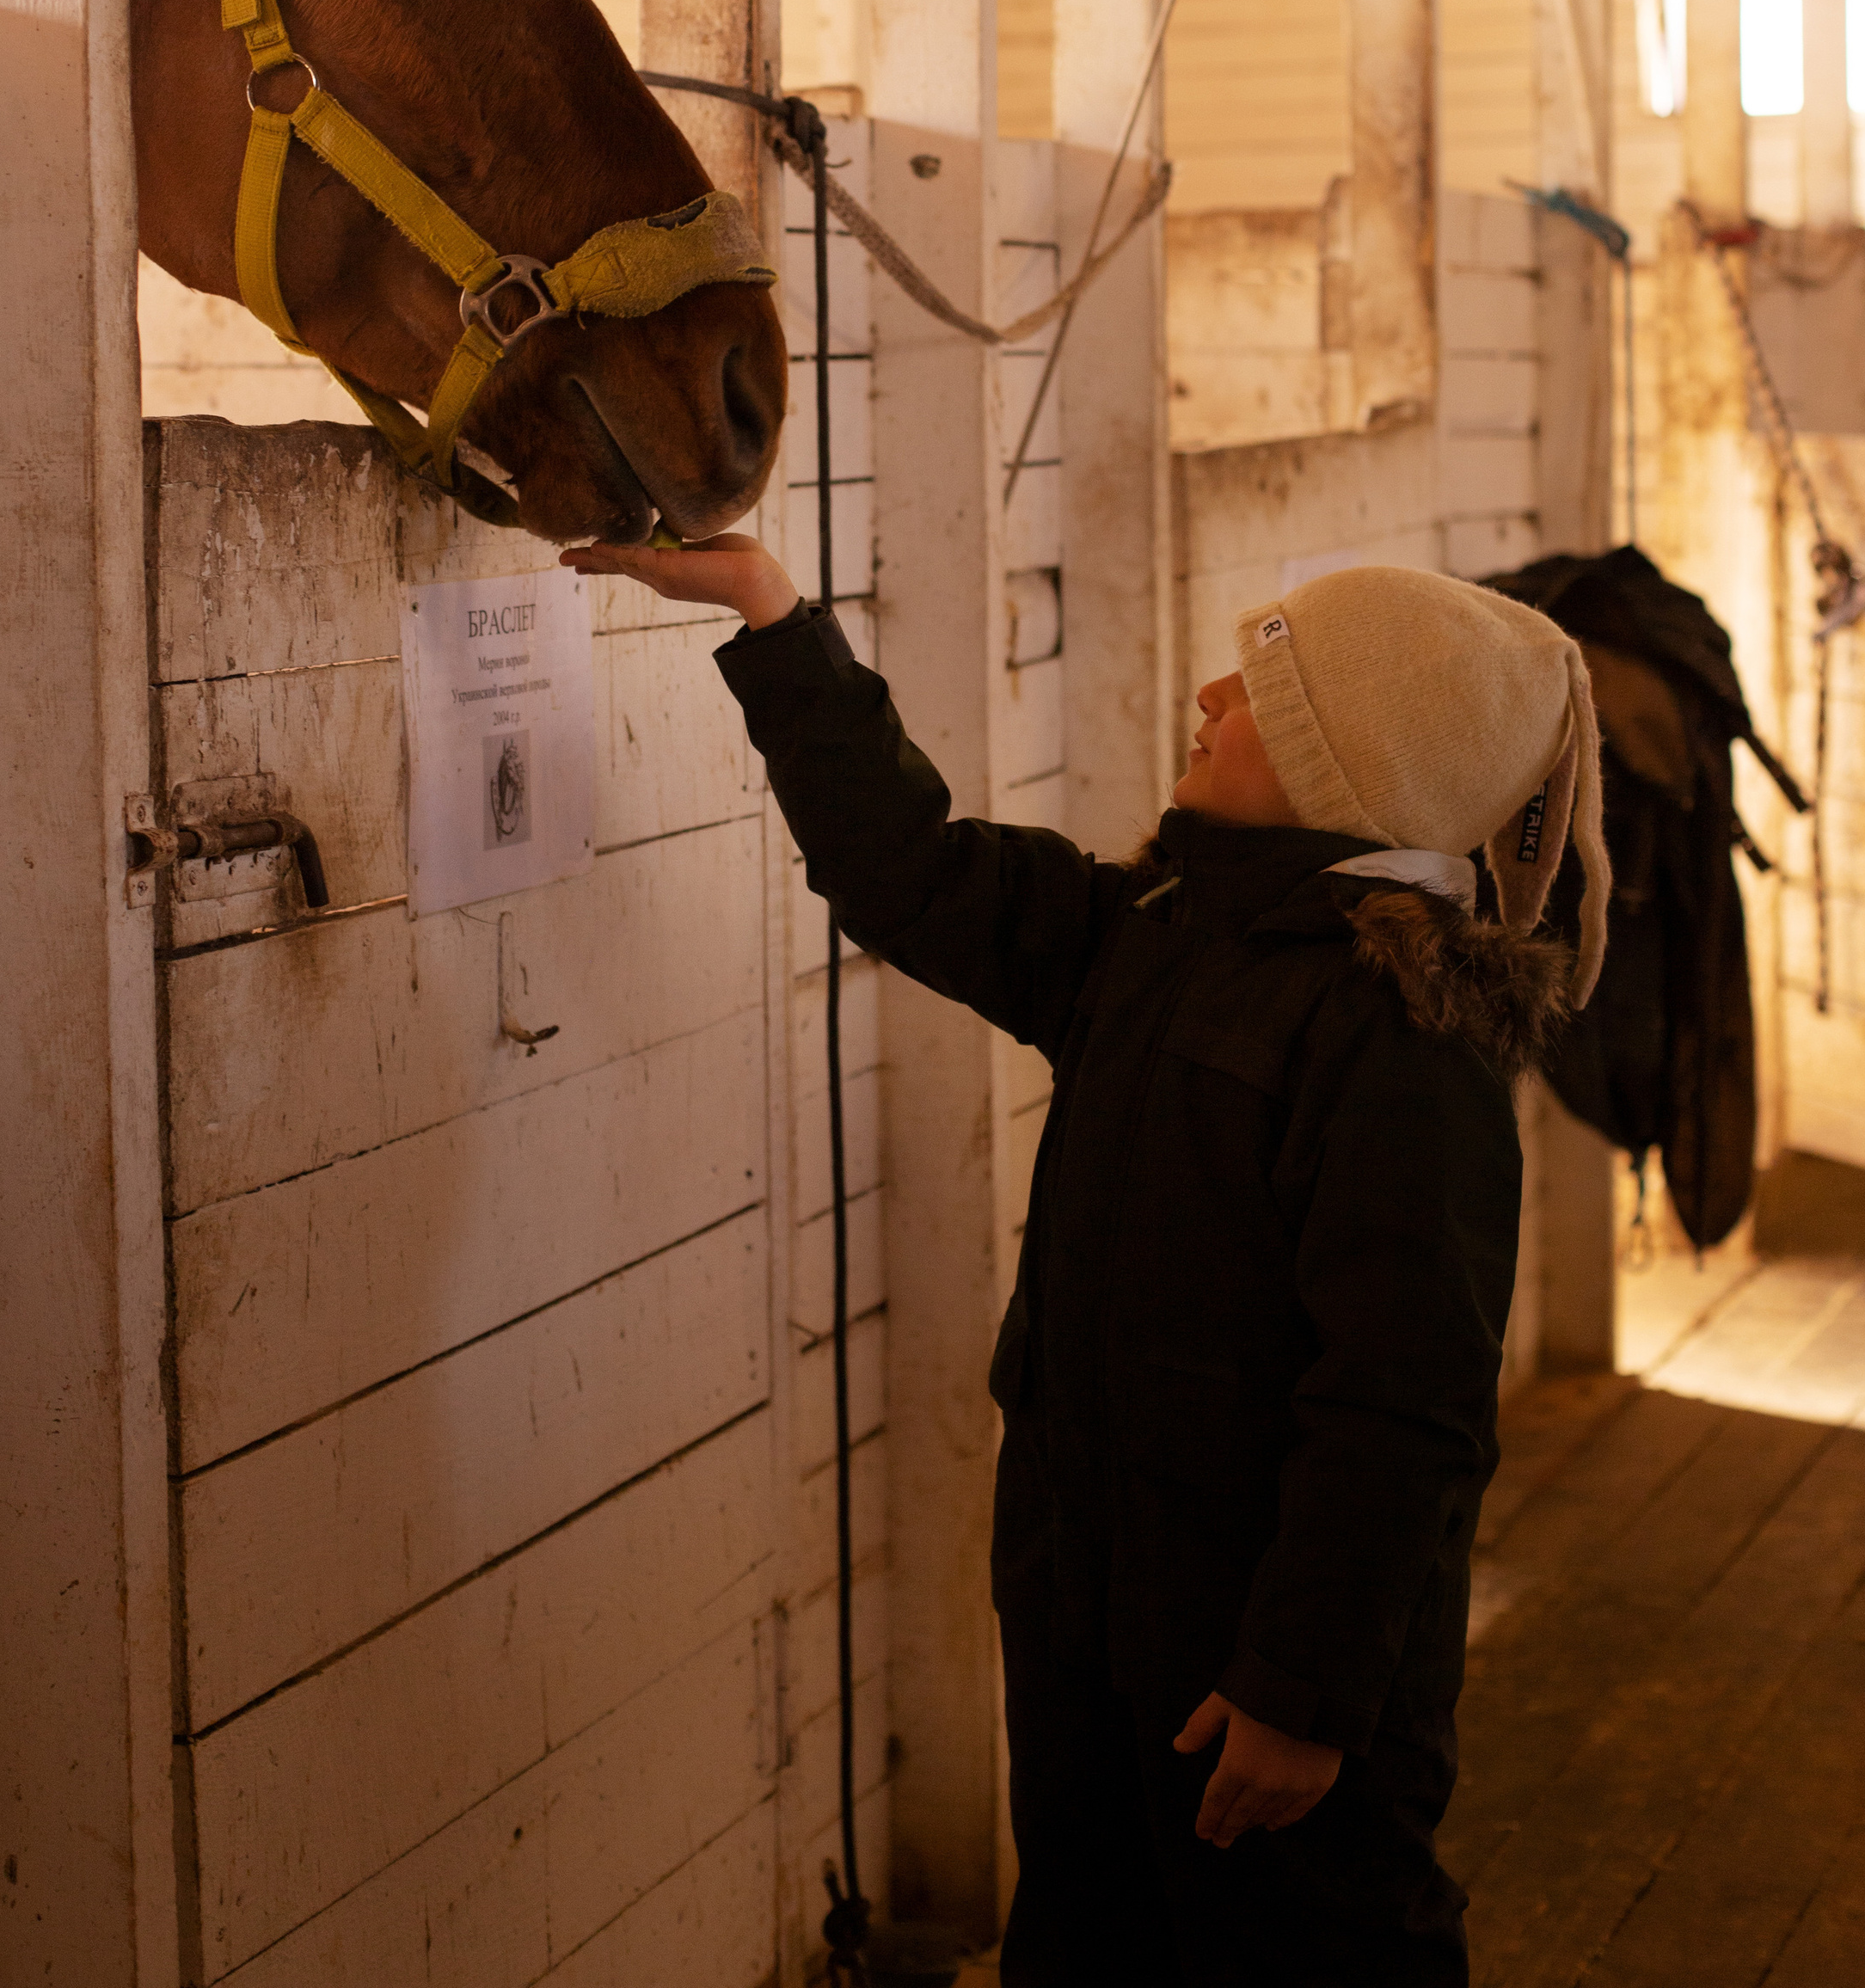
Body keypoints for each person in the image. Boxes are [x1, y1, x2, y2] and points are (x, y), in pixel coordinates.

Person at [564, 534, 1612, 1987]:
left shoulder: (1402, 1041)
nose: (1201, 698)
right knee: (1090, 1938)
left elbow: (1406, 1410)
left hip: (1258, 1649)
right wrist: (771, 617)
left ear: (1339, 767)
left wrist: (1301, 1693)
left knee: (1312, 1949)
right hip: (1084, 1595)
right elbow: (906, 871)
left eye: (1251, 693)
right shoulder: (1153, 929)